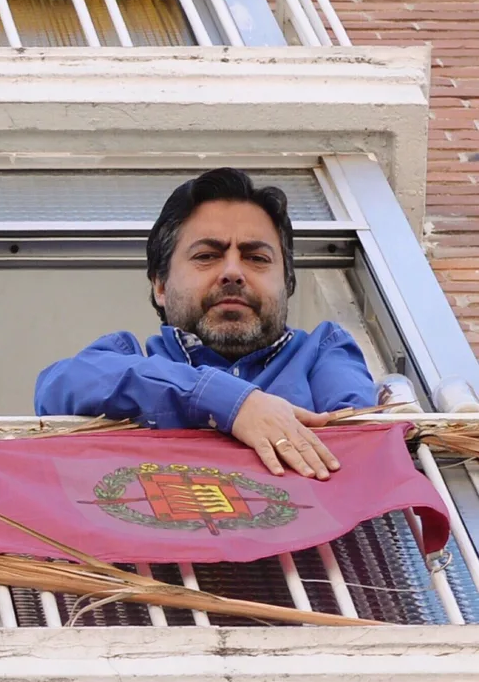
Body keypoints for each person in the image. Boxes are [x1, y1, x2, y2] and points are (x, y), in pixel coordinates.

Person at [34, 167, 376, 480]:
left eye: (256, 258)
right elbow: (57, 389)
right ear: (162, 286)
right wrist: (228, 402)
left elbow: (360, 450)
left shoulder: (322, 353)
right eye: (207, 256)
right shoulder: (121, 358)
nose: (232, 272)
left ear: (286, 285)